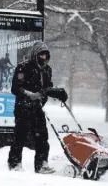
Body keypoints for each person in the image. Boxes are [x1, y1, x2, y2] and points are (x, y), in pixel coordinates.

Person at [7, 41, 66, 174]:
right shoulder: (23, 67)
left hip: (38, 108)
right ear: (35, 54)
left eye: (46, 55)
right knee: (20, 136)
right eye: (41, 55)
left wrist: (57, 93)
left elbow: (47, 88)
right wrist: (30, 95)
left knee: (42, 138)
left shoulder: (47, 70)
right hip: (23, 107)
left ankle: (42, 165)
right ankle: (14, 163)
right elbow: (15, 88)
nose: (43, 58)